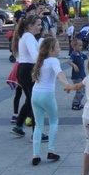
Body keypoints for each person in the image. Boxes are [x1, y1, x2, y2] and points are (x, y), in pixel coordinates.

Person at [30, 37, 74, 166]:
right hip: (47, 95)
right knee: (54, 121)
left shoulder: (40, 61)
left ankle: (36, 154)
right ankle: (51, 150)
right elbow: (60, 73)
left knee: (38, 125)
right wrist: (67, 84)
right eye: (58, 46)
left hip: (35, 94)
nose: (60, 48)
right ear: (51, 50)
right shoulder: (53, 60)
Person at [11, 15, 46, 138]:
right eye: (38, 24)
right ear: (30, 26)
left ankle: (19, 125)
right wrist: (43, 65)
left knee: (29, 100)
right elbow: (34, 55)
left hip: (22, 69)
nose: (40, 27)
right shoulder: (29, 37)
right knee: (35, 101)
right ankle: (36, 133)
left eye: (40, 24)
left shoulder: (24, 36)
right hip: (27, 69)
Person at [68, 38, 87, 110]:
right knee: (79, 90)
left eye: (81, 45)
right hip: (76, 76)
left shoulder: (81, 54)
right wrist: (74, 65)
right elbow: (69, 61)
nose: (81, 47)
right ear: (74, 46)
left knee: (83, 90)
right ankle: (75, 103)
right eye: (79, 45)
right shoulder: (73, 54)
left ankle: (79, 102)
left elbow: (88, 58)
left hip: (82, 75)